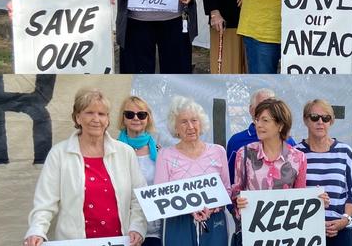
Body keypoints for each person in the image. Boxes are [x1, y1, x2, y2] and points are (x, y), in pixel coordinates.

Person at [24, 88, 146, 246]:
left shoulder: (125, 152)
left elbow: (138, 198)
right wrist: (37, 231)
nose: (96, 119)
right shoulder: (59, 153)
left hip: (120, 241)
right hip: (74, 242)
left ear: (107, 119)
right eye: (89, 112)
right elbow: (45, 203)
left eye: (102, 114)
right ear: (77, 117)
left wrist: (137, 227)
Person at [232, 99, 329, 244]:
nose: (258, 125)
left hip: (285, 237)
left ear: (280, 125)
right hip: (253, 235)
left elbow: (299, 197)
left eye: (265, 120)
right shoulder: (244, 153)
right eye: (257, 120)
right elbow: (236, 191)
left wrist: (317, 200)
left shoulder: (298, 158)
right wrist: (238, 201)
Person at [154, 96, 230, 246]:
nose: (190, 126)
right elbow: (160, 196)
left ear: (201, 123)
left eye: (194, 120)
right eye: (183, 122)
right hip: (178, 223)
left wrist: (212, 208)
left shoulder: (218, 151)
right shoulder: (165, 155)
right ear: (175, 127)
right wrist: (189, 209)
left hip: (214, 220)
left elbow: (227, 190)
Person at [295, 99, 352, 246]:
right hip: (305, 230)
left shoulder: (345, 152)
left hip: (342, 231)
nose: (320, 122)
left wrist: (345, 219)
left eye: (325, 118)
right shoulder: (296, 154)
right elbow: (290, 193)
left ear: (331, 121)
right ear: (306, 120)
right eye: (314, 117)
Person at [225, 88, 296, 184]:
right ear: (251, 110)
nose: (266, 110)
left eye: (272, 106)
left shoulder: (289, 142)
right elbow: (230, 180)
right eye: (261, 106)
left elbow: (297, 184)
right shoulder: (236, 142)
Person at [117, 96, 161, 246]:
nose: (136, 118)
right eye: (130, 114)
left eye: (141, 114)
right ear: (123, 118)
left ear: (148, 118)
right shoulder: (112, 151)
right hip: (124, 229)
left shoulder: (160, 152)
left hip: (155, 228)